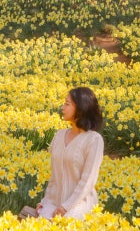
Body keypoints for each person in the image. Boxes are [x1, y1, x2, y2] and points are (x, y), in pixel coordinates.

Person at [36, 87, 104, 220]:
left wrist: (65, 207)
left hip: (80, 204)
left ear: (80, 108)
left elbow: (87, 181)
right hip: (56, 202)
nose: (62, 107)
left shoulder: (94, 140)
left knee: (67, 222)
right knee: (41, 219)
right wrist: (44, 201)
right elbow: (54, 177)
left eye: (67, 104)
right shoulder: (59, 135)